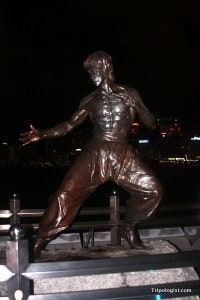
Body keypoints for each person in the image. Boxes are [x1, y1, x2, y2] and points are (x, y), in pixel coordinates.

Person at [20, 51, 163, 257]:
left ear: (105, 67)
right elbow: (69, 125)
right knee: (63, 195)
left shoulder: (130, 93)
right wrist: (42, 134)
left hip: (121, 152)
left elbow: (151, 123)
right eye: (89, 71)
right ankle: (39, 241)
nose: (91, 74)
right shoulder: (89, 99)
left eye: (93, 69)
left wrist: (135, 104)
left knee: (154, 190)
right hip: (96, 151)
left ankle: (129, 226)